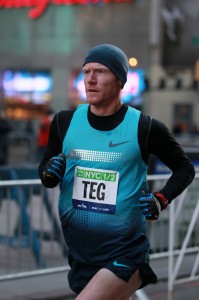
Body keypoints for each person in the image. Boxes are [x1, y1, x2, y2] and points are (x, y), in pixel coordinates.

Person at [38, 44, 195, 300]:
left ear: (120, 80)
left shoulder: (145, 127)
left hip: (125, 252)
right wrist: (49, 173)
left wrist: (161, 199)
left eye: (100, 71)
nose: (90, 79)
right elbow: (45, 170)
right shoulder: (64, 122)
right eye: (86, 71)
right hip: (80, 253)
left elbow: (184, 168)